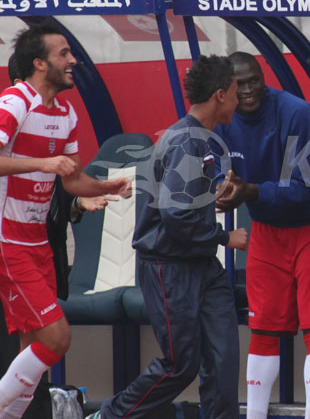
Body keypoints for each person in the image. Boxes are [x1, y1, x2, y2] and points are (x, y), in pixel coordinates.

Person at [88, 55, 248, 419]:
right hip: (169, 267)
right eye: (236, 93)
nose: (240, 101)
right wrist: (225, 237)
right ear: (220, 95)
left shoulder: (199, 140)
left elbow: (183, 206)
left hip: (202, 267)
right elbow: (177, 220)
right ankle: (109, 415)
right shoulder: (184, 142)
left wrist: (214, 197)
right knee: (180, 364)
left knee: (223, 363)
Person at [0, 23, 131, 419]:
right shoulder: (15, 101)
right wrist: (42, 162)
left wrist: (105, 186)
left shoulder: (67, 112)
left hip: (38, 242)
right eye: (63, 54)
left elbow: (71, 179)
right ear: (39, 64)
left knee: (32, 348)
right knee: (58, 337)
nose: (73, 60)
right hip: (8, 241)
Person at [213, 52, 310, 419]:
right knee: (264, 325)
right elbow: (214, 172)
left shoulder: (295, 111)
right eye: (238, 84)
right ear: (226, 88)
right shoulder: (220, 116)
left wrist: (250, 191)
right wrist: (221, 190)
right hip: (267, 230)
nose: (247, 90)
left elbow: (303, 187)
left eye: (254, 80)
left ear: (264, 78)